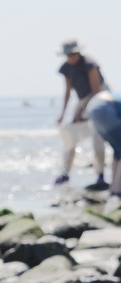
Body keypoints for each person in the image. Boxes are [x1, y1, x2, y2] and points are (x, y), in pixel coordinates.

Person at [55, 39, 107, 188]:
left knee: (97, 137)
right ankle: (65, 173)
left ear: (78, 52)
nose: (71, 57)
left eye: (73, 54)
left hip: (100, 98)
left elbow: (96, 90)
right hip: (82, 101)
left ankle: (100, 175)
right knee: (70, 136)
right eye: (68, 55)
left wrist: (82, 110)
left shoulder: (89, 63)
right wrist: (62, 114)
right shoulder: (66, 68)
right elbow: (67, 92)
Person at [85, 91, 121, 200]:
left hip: (93, 109)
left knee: (117, 150)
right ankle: (117, 189)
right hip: (105, 107)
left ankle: (113, 187)